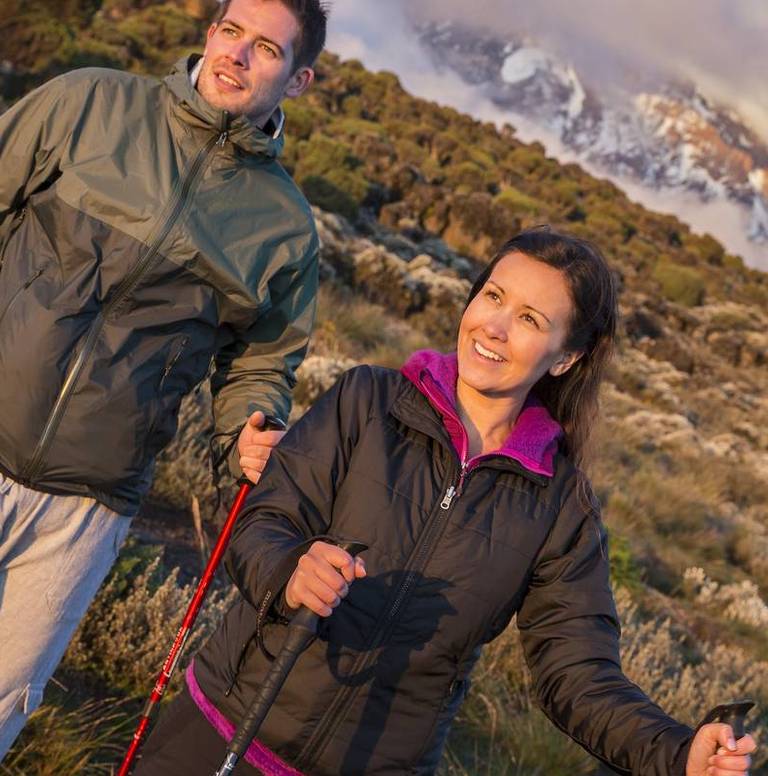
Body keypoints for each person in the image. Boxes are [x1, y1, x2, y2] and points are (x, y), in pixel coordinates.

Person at [135, 228, 757, 775]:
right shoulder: (367, 401)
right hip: (220, 731)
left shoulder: (562, 506)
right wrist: (290, 570)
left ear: (566, 357)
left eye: (530, 319)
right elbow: (262, 523)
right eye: (493, 296)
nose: (494, 327)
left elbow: (577, 674)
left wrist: (675, 752)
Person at [0, 0, 329, 757]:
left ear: (298, 79)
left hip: (83, 511)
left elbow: (259, 365)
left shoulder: (284, 229)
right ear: (210, 33)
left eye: (266, 49)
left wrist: (250, 430)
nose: (236, 55)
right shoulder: (88, 102)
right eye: (230, 32)